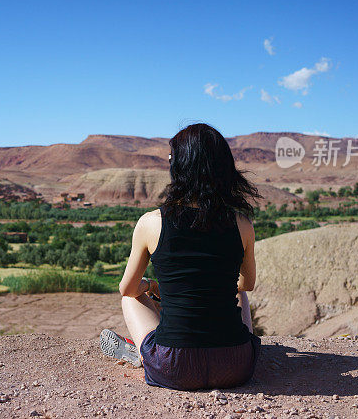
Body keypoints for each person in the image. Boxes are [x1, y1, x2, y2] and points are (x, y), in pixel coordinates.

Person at [99, 123, 261, 390]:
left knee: (131, 298)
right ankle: (153, 350)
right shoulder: (242, 223)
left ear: (179, 167)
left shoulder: (151, 223)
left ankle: (144, 355)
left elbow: (126, 288)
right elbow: (247, 284)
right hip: (236, 366)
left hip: (175, 368)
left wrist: (152, 287)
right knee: (237, 292)